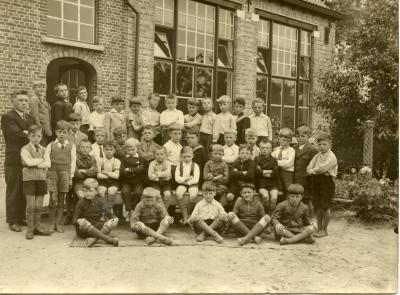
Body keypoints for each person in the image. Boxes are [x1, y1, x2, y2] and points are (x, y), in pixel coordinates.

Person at [1, 90, 34, 232]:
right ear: (12, 101)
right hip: (14, 159)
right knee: (13, 190)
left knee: (23, 189)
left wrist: (27, 133)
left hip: (27, 159)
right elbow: (15, 135)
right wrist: (27, 133)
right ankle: (12, 220)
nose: (24, 103)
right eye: (21, 100)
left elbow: (33, 133)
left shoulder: (28, 118)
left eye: (26, 100)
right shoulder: (8, 117)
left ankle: (21, 217)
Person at [44, 120, 77, 233]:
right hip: (52, 173)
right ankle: (51, 223)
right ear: (55, 132)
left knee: (61, 199)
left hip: (65, 174)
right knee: (53, 199)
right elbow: (46, 161)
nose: (61, 134)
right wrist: (46, 175)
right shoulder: (50, 145)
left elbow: (73, 162)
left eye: (64, 132)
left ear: (68, 133)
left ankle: (58, 223)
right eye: (59, 131)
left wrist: (71, 176)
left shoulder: (72, 146)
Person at [20, 125, 52, 239]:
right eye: (33, 136)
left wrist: (36, 163)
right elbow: (28, 162)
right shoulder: (25, 149)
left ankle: (37, 227)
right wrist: (41, 161)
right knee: (31, 206)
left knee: (38, 206)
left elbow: (48, 164)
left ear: (41, 137)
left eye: (38, 136)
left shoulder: (44, 149)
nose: (36, 138)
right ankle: (30, 229)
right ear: (28, 136)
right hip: (29, 179)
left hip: (41, 179)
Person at [307, 133, 338, 238]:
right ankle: (319, 228)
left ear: (330, 145)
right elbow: (309, 167)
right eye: (319, 144)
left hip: (327, 182)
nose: (321, 147)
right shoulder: (317, 156)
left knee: (325, 206)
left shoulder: (332, 157)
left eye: (324, 144)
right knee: (318, 206)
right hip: (317, 181)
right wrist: (313, 170)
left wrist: (313, 171)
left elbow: (322, 169)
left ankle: (324, 230)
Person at [73, 178, 119, 247]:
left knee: (111, 223)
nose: (87, 193)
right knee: (85, 223)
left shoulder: (99, 201)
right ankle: (108, 239)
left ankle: (93, 239)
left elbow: (108, 213)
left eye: (90, 191)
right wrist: (79, 220)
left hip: (96, 225)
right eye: (85, 191)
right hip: (84, 230)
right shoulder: (81, 202)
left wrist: (114, 219)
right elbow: (74, 220)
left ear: (96, 191)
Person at [294, 125, 318, 217]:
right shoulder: (293, 148)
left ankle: (308, 221)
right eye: (298, 136)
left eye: (303, 136)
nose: (300, 138)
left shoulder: (312, 149)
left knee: (307, 201)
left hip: (306, 180)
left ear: (309, 137)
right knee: (296, 199)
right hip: (295, 179)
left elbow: (314, 167)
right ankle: (298, 220)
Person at [96, 140, 122, 223]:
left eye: (111, 149)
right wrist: (110, 174)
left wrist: (106, 173)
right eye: (106, 149)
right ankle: (105, 213)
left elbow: (117, 176)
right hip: (103, 181)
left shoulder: (117, 161)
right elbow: (98, 175)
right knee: (101, 191)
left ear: (114, 150)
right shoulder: (100, 160)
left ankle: (106, 212)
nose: (108, 151)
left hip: (113, 181)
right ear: (103, 150)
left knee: (111, 191)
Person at [174, 146, 200, 224]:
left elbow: (196, 179)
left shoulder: (195, 166)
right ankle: (184, 215)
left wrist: (188, 182)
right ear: (181, 156)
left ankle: (188, 213)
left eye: (189, 156)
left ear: (193, 156)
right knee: (178, 193)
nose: (187, 158)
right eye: (184, 157)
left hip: (193, 184)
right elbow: (177, 178)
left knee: (193, 195)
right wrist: (186, 178)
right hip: (183, 183)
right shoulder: (179, 165)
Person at [225, 145, 256, 211]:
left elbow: (250, 176)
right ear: (239, 154)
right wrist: (243, 172)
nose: (244, 155)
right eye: (242, 153)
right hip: (235, 184)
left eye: (247, 153)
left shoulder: (252, 163)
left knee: (240, 199)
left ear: (250, 154)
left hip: (247, 184)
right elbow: (232, 174)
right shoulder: (236, 162)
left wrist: (238, 172)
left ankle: (235, 211)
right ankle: (230, 209)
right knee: (229, 196)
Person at [120, 139, 146, 214]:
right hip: (126, 181)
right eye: (128, 150)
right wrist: (135, 170)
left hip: (138, 181)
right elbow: (122, 171)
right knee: (125, 191)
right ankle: (128, 209)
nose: (131, 151)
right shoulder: (124, 159)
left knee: (138, 192)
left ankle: (134, 208)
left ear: (137, 149)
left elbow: (141, 170)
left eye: (133, 149)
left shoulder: (140, 159)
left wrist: (129, 169)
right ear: (125, 150)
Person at [255, 140, 279, 214]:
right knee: (265, 197)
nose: (264, 149)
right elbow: (257, 172)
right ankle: (264, 214)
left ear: (271, 149)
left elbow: (275, 173)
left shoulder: (274, 160)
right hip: (261, 182)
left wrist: (263, 171)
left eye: (267, 148)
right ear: (260, 149)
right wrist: (269, 171)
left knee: (274, 198)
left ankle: (271, 215)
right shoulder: (257, 159)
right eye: (262, 148)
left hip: (273, 182)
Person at [272, 128, 295, 200]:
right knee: (280, 187)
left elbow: (289, 163)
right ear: (279, 139)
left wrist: (277, 162)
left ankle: (288, 203)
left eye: (288, 141)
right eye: (283, 140)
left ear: (290, 141)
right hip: (278, 171)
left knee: (288, 188)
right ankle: (281, 203)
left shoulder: (291, 150)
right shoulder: (277, 150)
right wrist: (280, 162)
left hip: (287, 172)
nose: (285, 143)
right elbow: (272, 159)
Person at [29, 80, 52, 145]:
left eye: (44, 87)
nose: (42, 89)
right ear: (34, 88)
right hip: (40, 128)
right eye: (39, 87)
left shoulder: (43, 100)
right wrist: (39, 129)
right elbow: (34, 116)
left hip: (45, 128)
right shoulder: (34, 100)